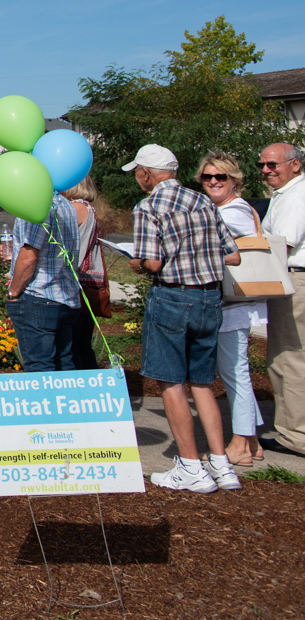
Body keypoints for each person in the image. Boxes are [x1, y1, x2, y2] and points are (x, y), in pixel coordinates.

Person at [125, 143, 241, 492]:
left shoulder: (149, 206)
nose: (137, 178)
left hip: (173, 296)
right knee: (202, 381)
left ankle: (190, 465)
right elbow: (231, 255)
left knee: (171, 382)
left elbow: (153, 262)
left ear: (146, 173)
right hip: (210, 297)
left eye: (138, 172)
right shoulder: (203, 200)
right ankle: (220, 462)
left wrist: (137, 263)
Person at [197, 151, 267, 464]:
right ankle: (251, 441)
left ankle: (240, 443)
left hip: (234, 303)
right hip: (233, 301)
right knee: (235, 371)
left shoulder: (233, 212)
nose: (213, 182)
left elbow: (206, 243)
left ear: (234, 180)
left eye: (220, 177)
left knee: (235, 373)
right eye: (207, 177)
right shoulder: (228, 208)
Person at [260, 142, 305, 458]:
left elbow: (282, 245)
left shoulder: (295, 197)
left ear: (295, 165)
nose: (266, 170)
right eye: (263, 164)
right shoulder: (286, 195)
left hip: (293, 279)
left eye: (273, 165)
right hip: (292, 277)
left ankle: (296, 435)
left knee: (288, 358)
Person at [6, 191, 84, 372]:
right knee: (64, 363)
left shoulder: (35, 203)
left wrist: (13, 291)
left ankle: (45, 401)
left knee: (39, 366)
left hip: (39, 295)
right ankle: (67, 401)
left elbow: (29, 258)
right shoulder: (64, 203)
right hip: (66, 295)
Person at [63, 176, 107, 371]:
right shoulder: (88, 208)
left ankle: (81, 391)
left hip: (76, 281)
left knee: (72, 345)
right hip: (87, 283)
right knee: (82, 343)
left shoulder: (75, 209)